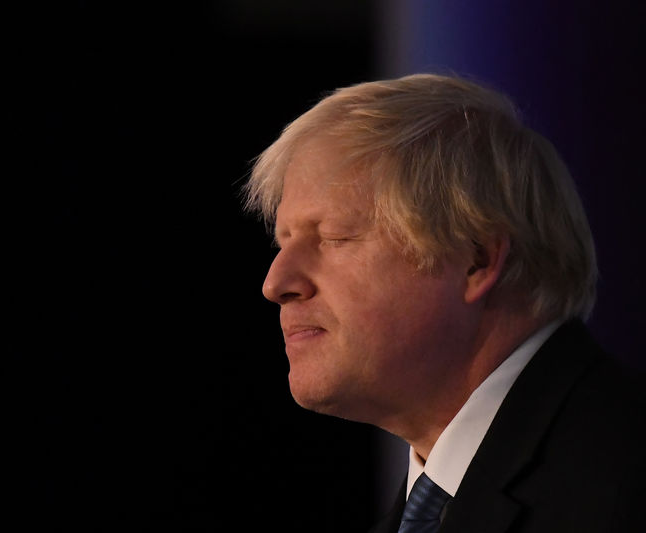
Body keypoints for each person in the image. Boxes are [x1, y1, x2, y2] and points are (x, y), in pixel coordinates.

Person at [243, 73, 646, 533]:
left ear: (475, 259)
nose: (276, 283)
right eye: (283, 242)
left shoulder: (625, 481)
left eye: (335, 237)